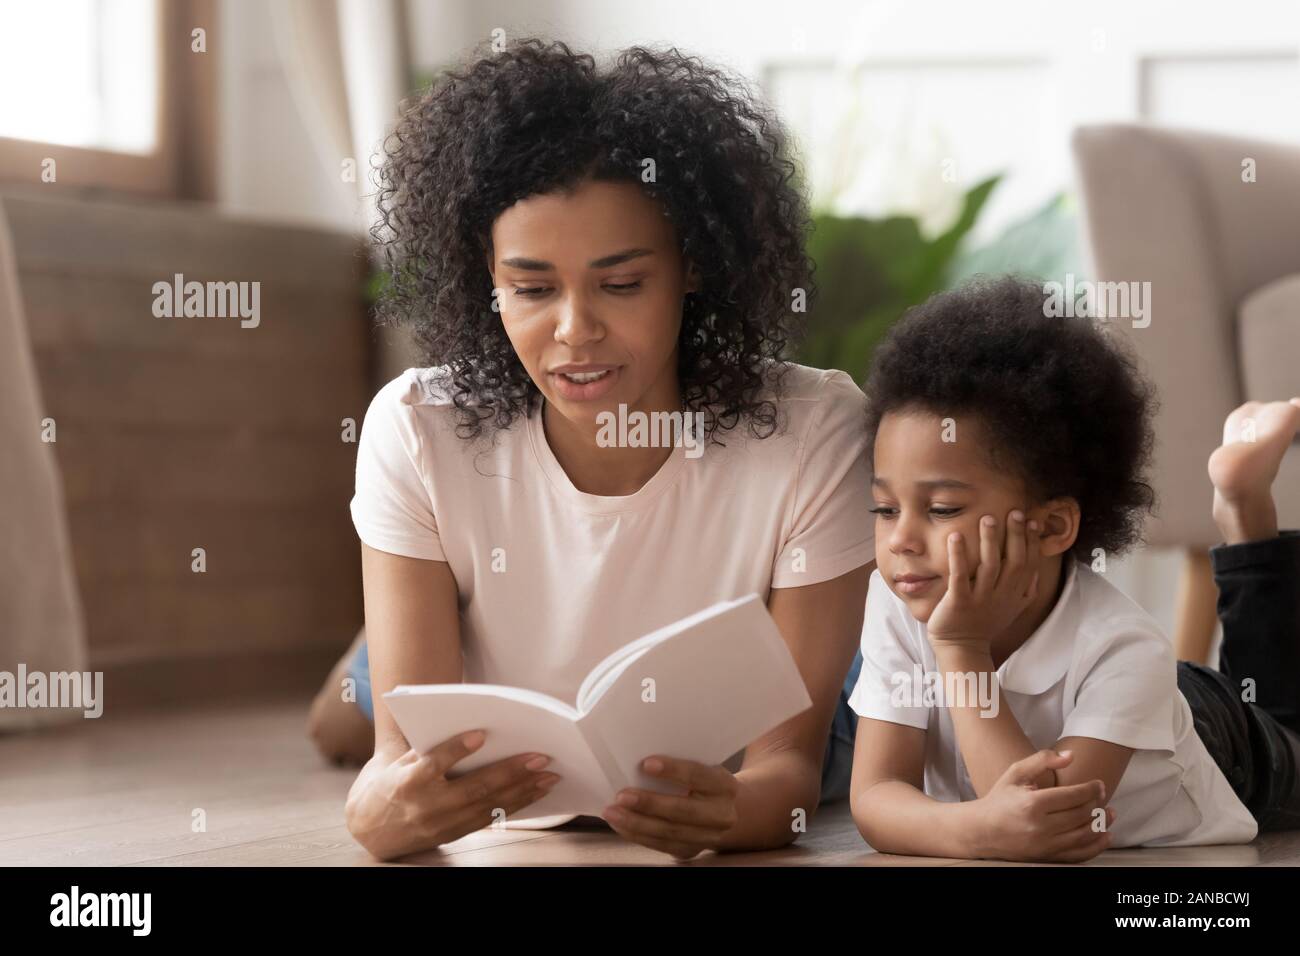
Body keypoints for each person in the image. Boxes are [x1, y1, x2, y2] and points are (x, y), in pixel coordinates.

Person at [308, 38, 875, 862]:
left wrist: (737, 815)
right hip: (500, 645)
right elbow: (397, 769)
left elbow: (783, 772)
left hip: (803, 708)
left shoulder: (813, 427)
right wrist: (378, 811)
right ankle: (398, 630)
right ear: (486, 276)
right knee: (337, 724)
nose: (575, 331)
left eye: (621, 283)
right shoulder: (417, 427)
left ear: (693, 266)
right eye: (533, 289)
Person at [846, 275, 1300, 861]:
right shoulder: (897, 598)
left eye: (942, 509)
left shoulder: (1126, 650)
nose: (901, 539)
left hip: (1218, 744)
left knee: (1286, 721)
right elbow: (878, 793)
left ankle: (1244, 512)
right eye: (885, 508)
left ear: (1054, 526)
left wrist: (960, 648)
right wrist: (975, 830)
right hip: (1121, 706)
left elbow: (1050, 828)